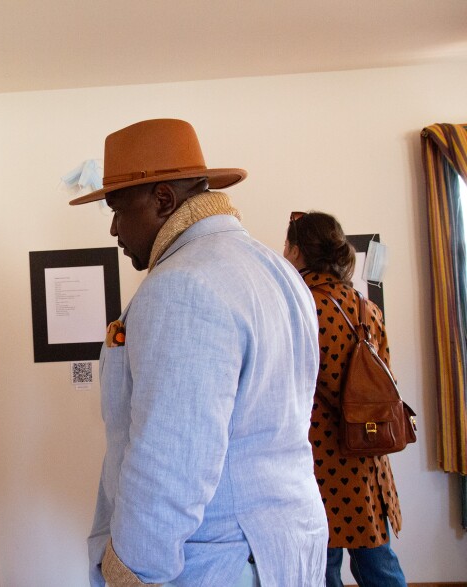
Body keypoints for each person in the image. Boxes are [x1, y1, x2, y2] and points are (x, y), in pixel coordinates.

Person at [71, 118, 328, 586]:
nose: (113, 228)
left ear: (163, 200)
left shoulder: (182, 284)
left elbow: (169, 462)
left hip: (219, 561)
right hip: (285, 547)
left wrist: (132, 573)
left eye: (118, 209)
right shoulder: (278, 270)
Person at [284, 211, 406, 587]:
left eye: (288, 244)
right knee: (378, 562)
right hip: (367, 454)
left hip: (319, 459)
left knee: (321, 567)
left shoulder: (300, 306)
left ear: (299, 251)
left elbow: (285, 389)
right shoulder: (365, 307)